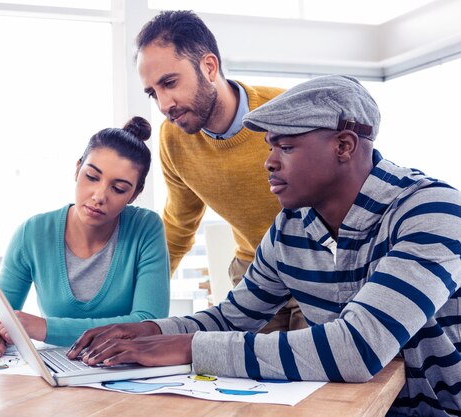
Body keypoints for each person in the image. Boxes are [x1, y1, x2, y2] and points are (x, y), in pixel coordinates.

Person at [68, 75, 461, 417]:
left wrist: (188, 346)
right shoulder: (290, 227)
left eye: (285, 147)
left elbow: (357, 348)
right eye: (270, 147)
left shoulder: (431, 211)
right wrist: (146, 332)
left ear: (343, 146)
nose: (269, 162)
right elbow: (231, 318)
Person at [135, 10, 304, 332]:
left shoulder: (287, 111)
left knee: (318, 375)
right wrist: (140, 303)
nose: (163, 104)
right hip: (251, 271)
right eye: (153, 92)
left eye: (170, 83)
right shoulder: (173, 140)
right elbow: (179, 224)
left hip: (316, 265)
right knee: (249, 375)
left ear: (209, 67)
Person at [0, 116, 171, 359]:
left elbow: (149, 322)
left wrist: (45, 328)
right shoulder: (34, 233)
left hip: (123, 369)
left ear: (134, 194)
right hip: (60, 371)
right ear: (77, 168)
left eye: (119, 188)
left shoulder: (146, 228)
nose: (99, 195)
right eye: (91, 177)